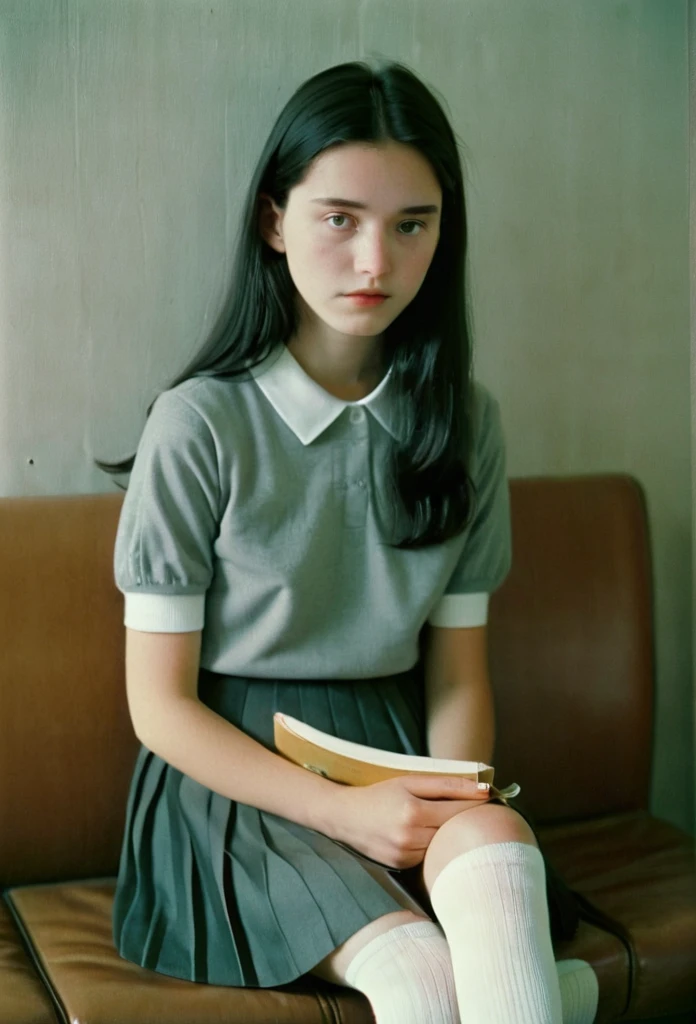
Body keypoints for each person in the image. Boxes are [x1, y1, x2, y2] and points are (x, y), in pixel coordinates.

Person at [97, 59, 599, 1024]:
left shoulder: (465, 423)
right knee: (423, 980)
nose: (377, 262)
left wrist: (448, 809)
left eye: (412, 225)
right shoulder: (199, 423)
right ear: (274, 221)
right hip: (232, 785)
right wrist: (343, 814)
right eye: (340, 219)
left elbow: (456, 677)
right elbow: (158, 708)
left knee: (497, 879)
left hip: (407, 756)